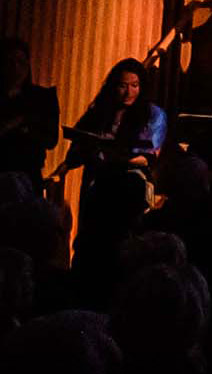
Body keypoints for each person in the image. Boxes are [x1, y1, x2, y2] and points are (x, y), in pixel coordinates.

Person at [63, 58, 166, 300]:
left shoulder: (152, 113)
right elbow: (79, 144)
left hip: (128, 184)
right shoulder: (101, 110)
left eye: (135, 85)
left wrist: (114, 156)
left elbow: (148, 156)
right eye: (122, 85)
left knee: (119, 241)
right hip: (97, 181)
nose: (128, 92)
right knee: (90, 242)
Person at [0, 36, 62, 182]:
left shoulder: (43, 98)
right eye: (10, 62)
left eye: (21, 63)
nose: (16, 68)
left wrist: (23, 125)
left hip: (28, 173)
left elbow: (51, 140)